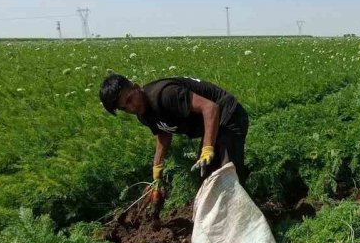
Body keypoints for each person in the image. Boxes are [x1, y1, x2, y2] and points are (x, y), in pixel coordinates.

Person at [98, 74, 249, 204]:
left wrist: (207, 148)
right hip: (214, 124)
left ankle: (244, 219)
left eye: (130, 99)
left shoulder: (165, 95)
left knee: (227, 173)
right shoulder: (143, 115)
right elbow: (163, 132)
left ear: (136, 87)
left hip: (228, 114)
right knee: (206, 176)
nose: (132, 108)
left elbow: (210, 108)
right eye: (124, 108)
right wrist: (157, 167)